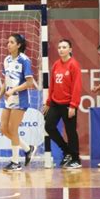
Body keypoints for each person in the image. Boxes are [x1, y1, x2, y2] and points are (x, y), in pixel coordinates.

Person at [0, 34, 35, 172]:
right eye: (8, 42)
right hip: (9, 98)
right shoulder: (7, 60)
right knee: (3, 129)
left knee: (13, 129)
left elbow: (29, 83)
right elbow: (6, 81)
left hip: (20, 99)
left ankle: (15, 162)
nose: (8, 44)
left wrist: (14, 90)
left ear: (19, 45)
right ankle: (28, 148)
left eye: (11, 42)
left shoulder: (24, 60)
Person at [43, 39, 83, 169]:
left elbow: (77, 86)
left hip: (68, 104)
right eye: (59, 47)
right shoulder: (56, 65)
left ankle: (76, 159)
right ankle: (66, 150)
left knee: (71, 131)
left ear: (70, 49)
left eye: (64, 47)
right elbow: (52, 84)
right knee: (49, 126)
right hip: (55, 102)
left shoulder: (74, 65)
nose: (61, 49)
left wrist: (73, 105)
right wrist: (48, 102)